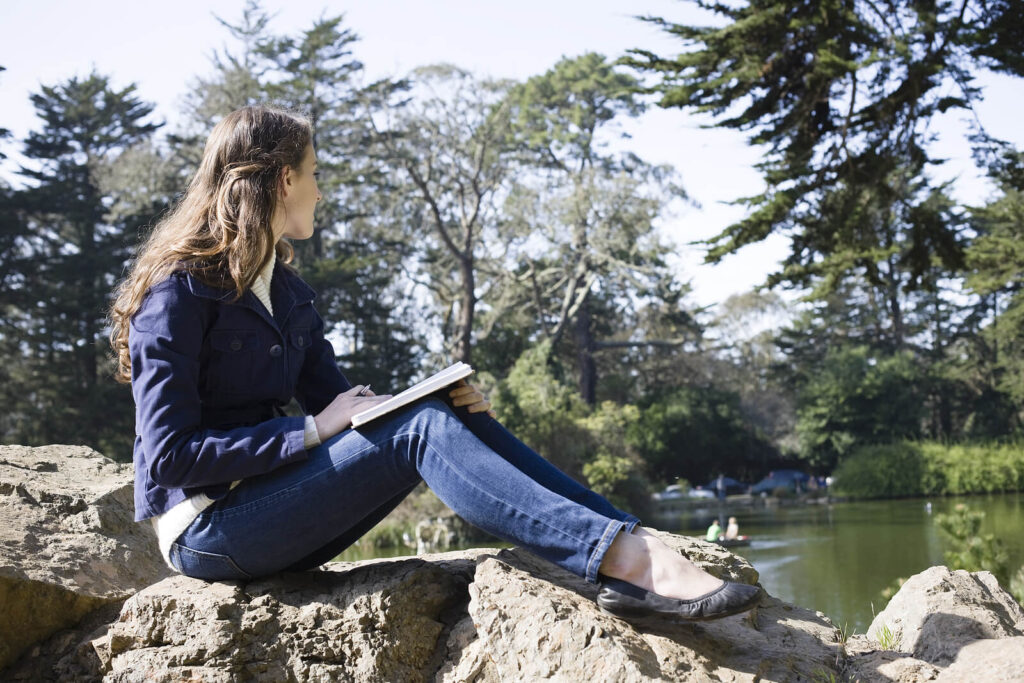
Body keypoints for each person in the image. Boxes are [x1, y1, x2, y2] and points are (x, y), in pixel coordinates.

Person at [107, 105, 760, 625]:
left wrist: (442, 400)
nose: (319, 188)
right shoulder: (178, 291)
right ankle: (628, 559)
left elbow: (356, 416)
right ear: (285, 180)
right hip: (209, 530)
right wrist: (309, 431)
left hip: (274, 506)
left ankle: (625, 540)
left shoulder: (290, 293)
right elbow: (165, 459)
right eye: (314, 172)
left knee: (437, 413)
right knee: (421, 427)